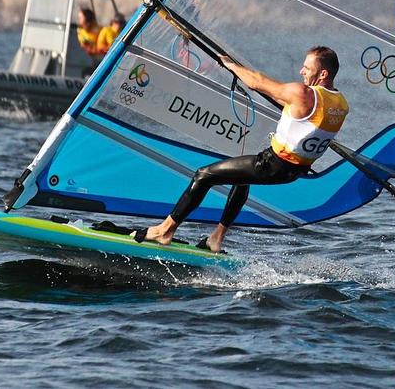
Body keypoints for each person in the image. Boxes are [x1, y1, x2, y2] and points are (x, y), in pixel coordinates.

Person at [134, 46, 348, 253]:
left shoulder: (303, 94)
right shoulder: (340, 104)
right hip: (295, 171)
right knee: (242, 177)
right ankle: (216, 238)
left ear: (323, 74)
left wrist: (229, 65)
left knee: (203, 175)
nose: (301, 71)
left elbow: (257, 82)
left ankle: (165, 230)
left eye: (307, 68)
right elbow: (296, 108)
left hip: (272, 164)